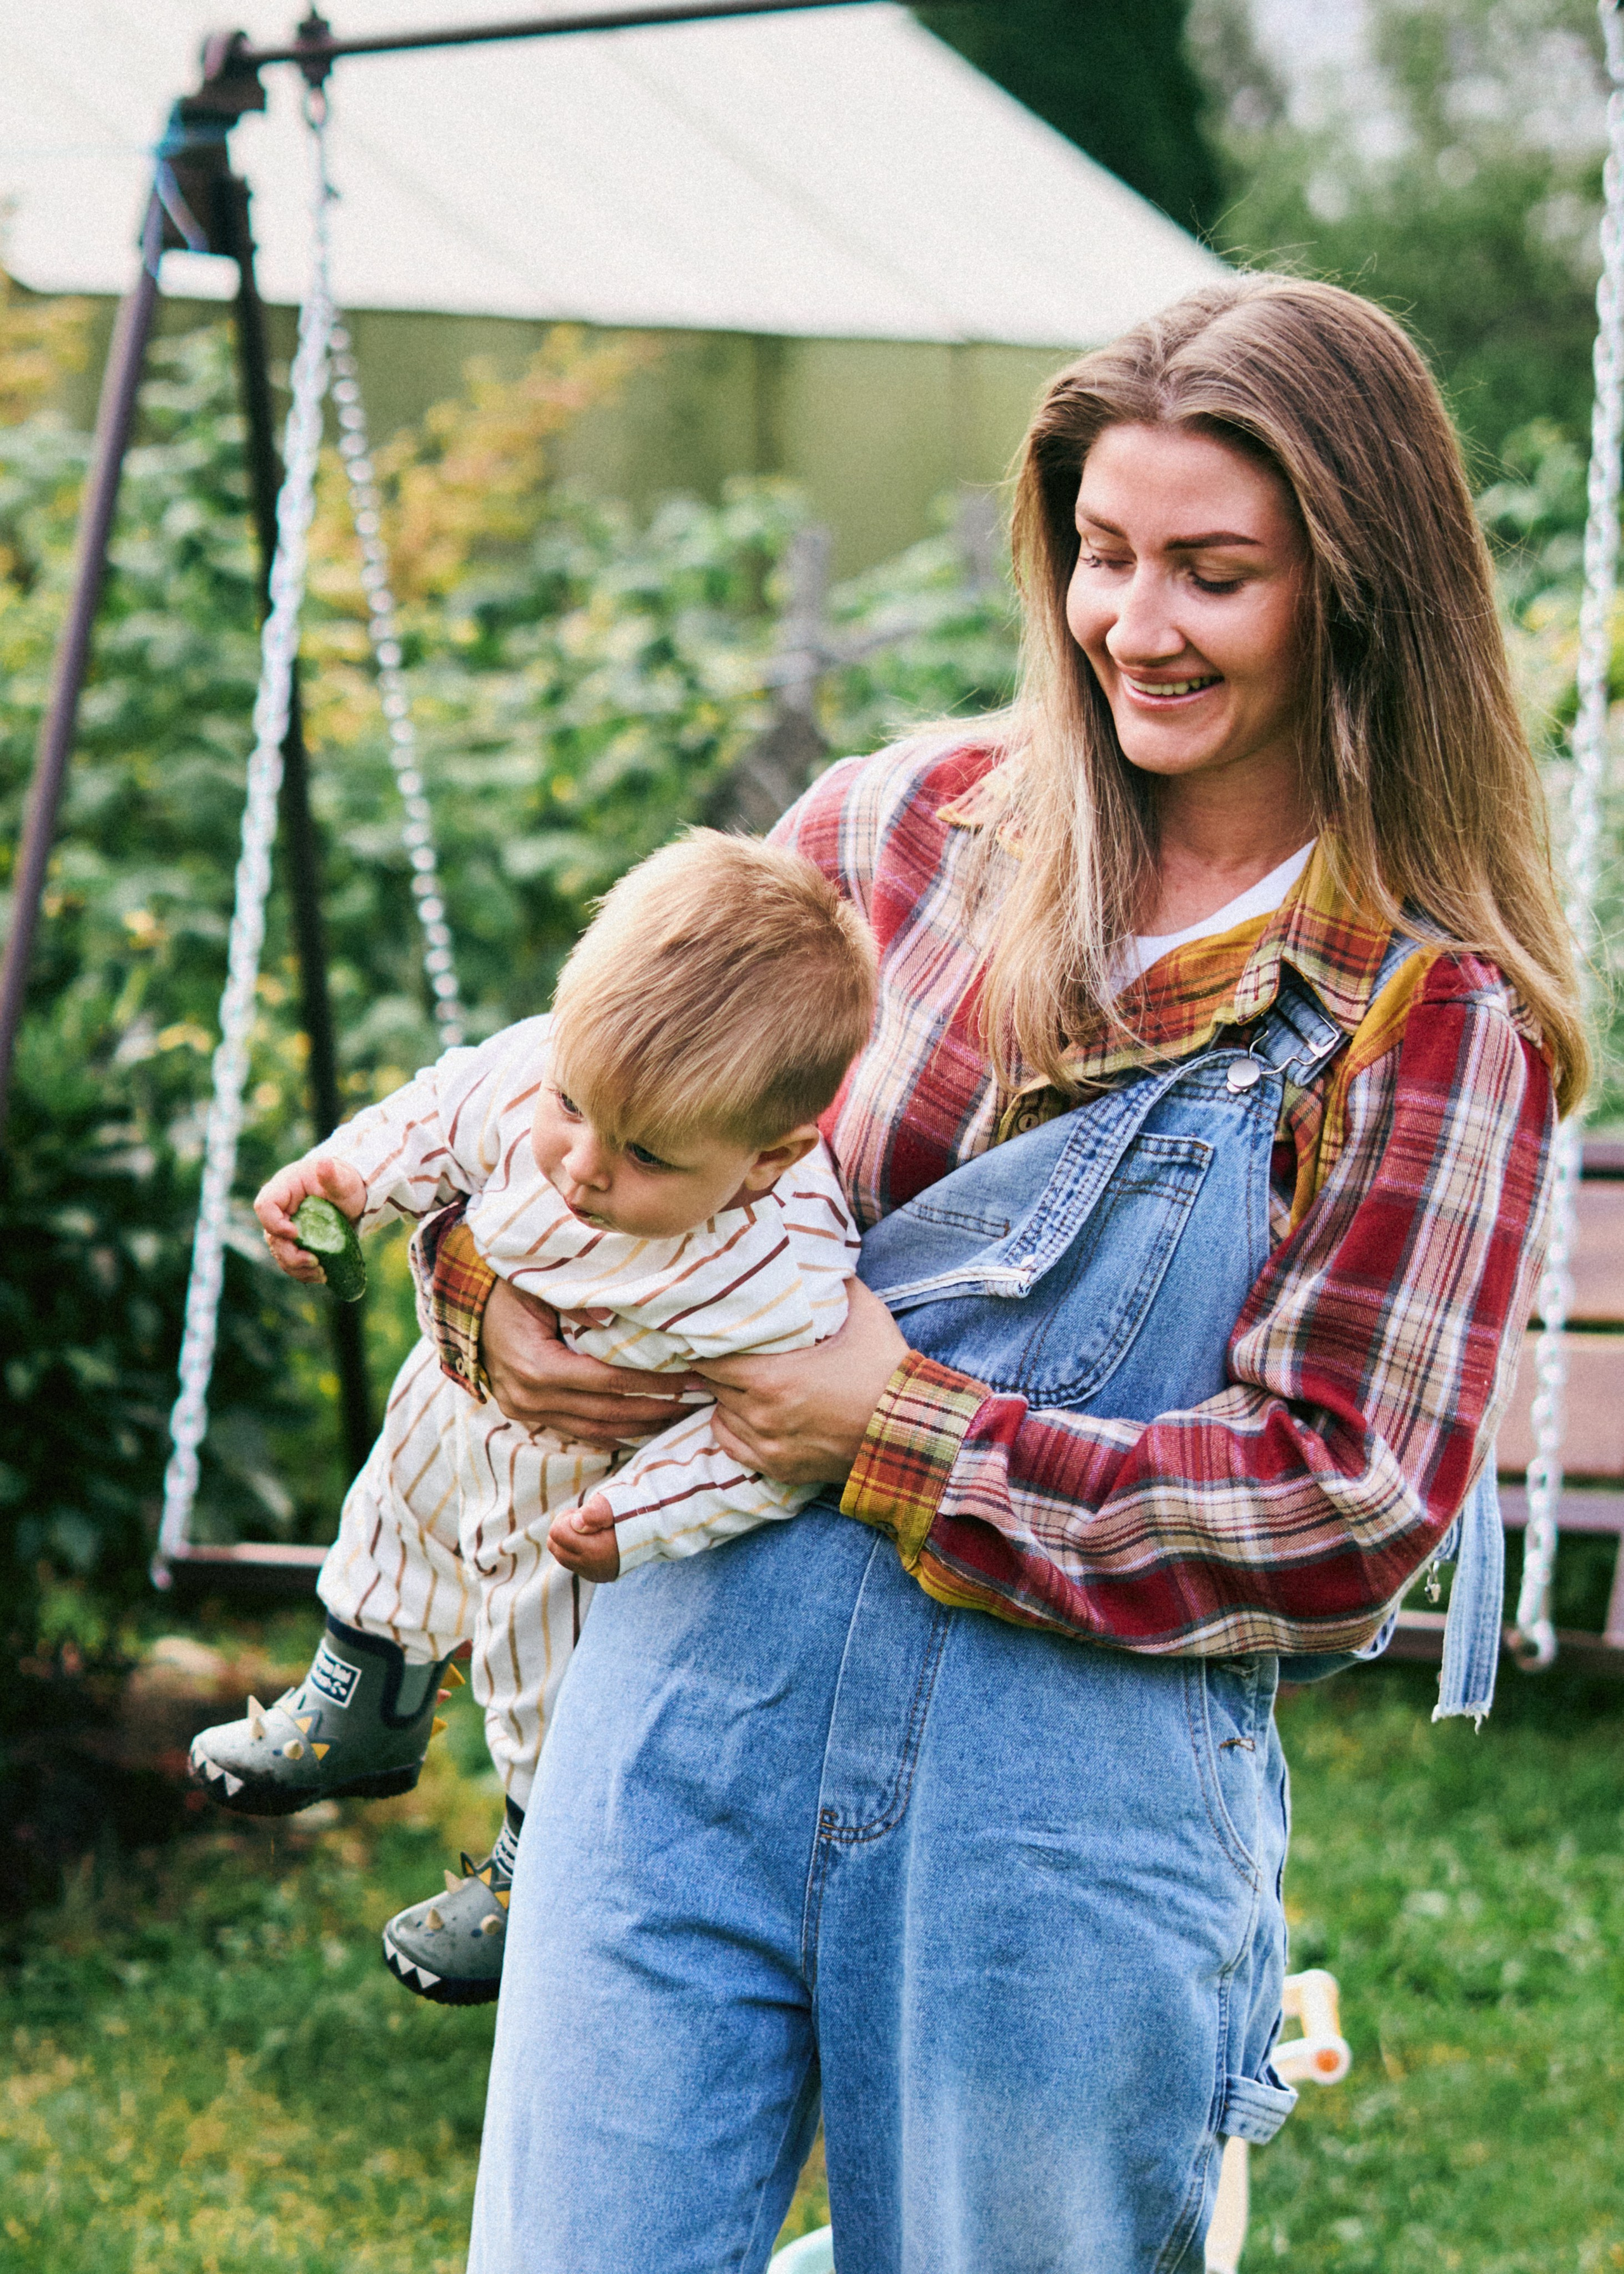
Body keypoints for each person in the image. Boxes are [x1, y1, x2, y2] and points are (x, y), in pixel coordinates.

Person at [451, 274, 1581, 2273]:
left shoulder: (1423, 1016)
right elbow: (591, 1109)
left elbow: (1342, 1507)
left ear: (1359, 593)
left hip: (1055, 1826)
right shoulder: (891, 834)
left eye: (1215, 574)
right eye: (1103, 552)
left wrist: (896, 1431)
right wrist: (491, 1287)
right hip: (686, 1730)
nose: (1135, 624)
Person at [187, 831, 872, 2005]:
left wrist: (642, 1516)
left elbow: (771, 1443)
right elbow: (439, 1114)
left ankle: (536, 1867)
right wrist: (354, 1179)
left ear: (771, 1158)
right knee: (396, 1508)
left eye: (643, 1154)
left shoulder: (782, 1273)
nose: (581, 1164)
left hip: (595, 1489)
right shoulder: (543, 1077)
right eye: (571, 1106)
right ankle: (364, 1697)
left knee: (543, 1674)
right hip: (469, 1389)